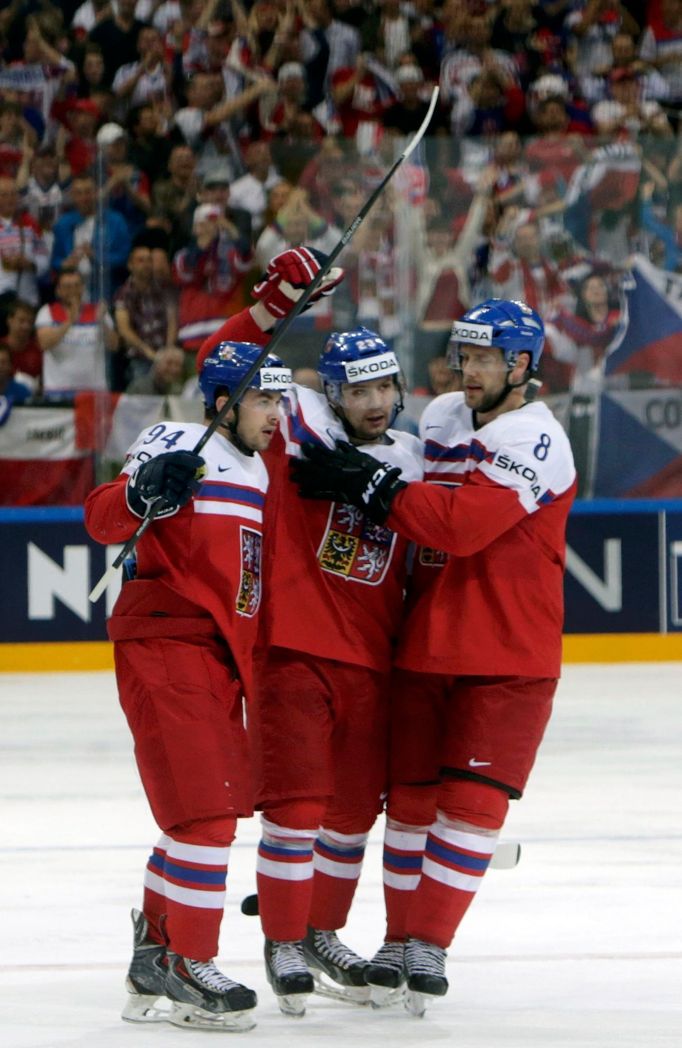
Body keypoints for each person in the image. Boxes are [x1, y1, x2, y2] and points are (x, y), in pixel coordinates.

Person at [292, 298, 577, 1015]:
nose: (467, 370)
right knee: (413, 803)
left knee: (472, 807)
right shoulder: (446, 417)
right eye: (463, 356)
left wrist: (371, 485)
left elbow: (459, 528)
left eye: (483, 359)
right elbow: (325, 412)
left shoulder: (539, 439)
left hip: (510, 648)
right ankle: (396, 940)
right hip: (424, 641)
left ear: (521, 365)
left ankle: (429, 940)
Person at [195, 249, 424, 1017]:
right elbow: (225, 363)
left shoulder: (412, 457)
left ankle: (323, 929)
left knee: (354, 812)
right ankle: (285, 938)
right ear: (330, 391)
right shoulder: (296, 424)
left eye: (385, 386)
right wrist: (277, 302)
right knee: (297, 806)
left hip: (374, 661)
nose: (374, 401)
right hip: (294, 650)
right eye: (358, 388)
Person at [83, 340, 293, 1032]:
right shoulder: (176, 438)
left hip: (215, 656)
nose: (276, 413)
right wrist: (143, 490)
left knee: (191, 817)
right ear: (225, 403)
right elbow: (105, 515)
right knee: (207, 815)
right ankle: (190, 963)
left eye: (279, 399)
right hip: (167, 640)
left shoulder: (261, 469)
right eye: (264, 399)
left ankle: (155, 955)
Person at [35, 267, 118, 395]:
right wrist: (69, 322)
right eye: (67, 287)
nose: (73, 291)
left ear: (83, 288)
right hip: (58, 389)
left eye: (77, 286)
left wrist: (102, 322)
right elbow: (44, 343)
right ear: (58, 290)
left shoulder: (97, 311)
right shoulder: (47, 312)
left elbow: (114, 345)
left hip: (94, 390)